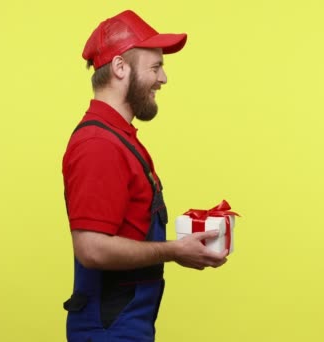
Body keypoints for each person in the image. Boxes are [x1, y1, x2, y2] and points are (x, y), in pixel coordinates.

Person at [61, 10, 228, 342]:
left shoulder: (119, 138)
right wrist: (174, 250)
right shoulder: (99, 144)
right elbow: (92, 249)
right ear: (121, 67)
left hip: (126, 328)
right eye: (155, 67)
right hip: (109, 331)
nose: (163, 78)